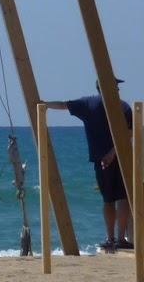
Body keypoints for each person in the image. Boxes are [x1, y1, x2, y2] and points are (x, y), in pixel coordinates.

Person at [46, 84, 134, 252]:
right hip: (120, 156)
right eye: (115, 87)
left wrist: (43, 104)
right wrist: (113, 153)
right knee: (122, 198)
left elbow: (63, 105)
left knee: (111, 199)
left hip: (104, 159)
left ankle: (112, 239)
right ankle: (119, 238)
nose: (117, 90)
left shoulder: (89, 104)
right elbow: (129, 133)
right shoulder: (122, 107)